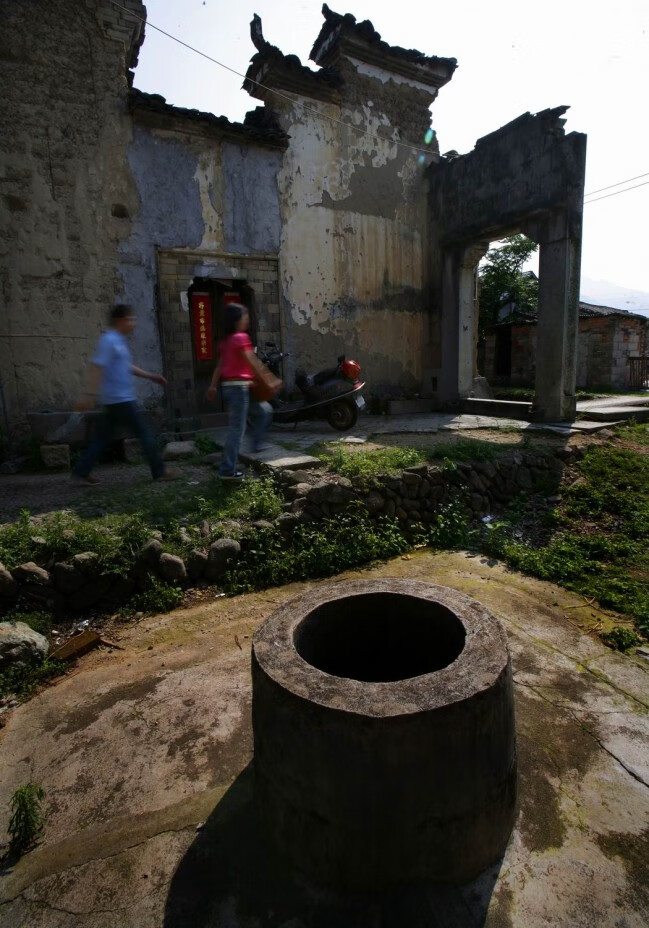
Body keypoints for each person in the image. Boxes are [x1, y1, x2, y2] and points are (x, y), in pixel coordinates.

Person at [73, 304, 179, 485]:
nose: (133, 323)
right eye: (130, 319)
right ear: (120, 320)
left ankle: (82, 471)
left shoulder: (118, 341)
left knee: (102, 437)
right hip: (120, 399)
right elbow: (97, 367)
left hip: (117, 399)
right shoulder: (109, 340)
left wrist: (151, 376)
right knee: (144, 433)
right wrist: (89, 395)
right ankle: (159, 471)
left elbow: (126, 367)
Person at [206, 302, 280, 480]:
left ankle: (256, 444)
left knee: (264, 411)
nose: (247, 319)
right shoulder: (240, 338)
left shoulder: (226, 341)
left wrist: (213, 386)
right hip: (238, 388)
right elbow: (252, 362)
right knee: (237, 430)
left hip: (234, 388)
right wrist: (270, 380)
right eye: (245, 316)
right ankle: (227, 470)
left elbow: (220, 366)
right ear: (237, 320)